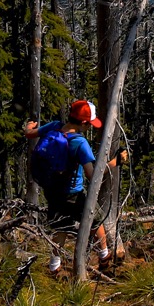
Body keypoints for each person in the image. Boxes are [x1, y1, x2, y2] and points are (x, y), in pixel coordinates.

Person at [24, 99, 128, 275]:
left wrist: (28, 126)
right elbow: (92, 174)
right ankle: (104, 255)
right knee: (96, 219)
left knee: (60, 227)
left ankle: (54, 267)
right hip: (73, 193)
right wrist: (115, 162)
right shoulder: (79, 143)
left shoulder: (54, 127)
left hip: (51, 191)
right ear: (85, 123)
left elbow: (30, 134)